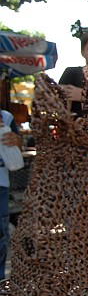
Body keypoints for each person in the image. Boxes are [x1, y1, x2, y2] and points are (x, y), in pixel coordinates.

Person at [0, 109, 22, 282]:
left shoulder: (6, 117)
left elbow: (18, 145)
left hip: (1, 183)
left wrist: (16, 141)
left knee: (1, 235)